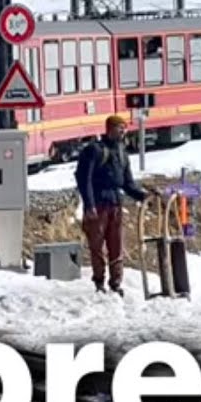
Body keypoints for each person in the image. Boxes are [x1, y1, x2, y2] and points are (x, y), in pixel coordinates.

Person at [75, 114, 149, 296]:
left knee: (116, 245)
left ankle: (116, 283)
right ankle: (99, 281)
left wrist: (143, 196)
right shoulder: (95, 150)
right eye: (119, 127)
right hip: (98, 204)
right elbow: (85, 180)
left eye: (124, 128)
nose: (123, 131)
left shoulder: (122, 153)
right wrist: (89, 204)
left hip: (116, 204)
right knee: (97, 246)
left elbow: (127, 183)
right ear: (109, 129)